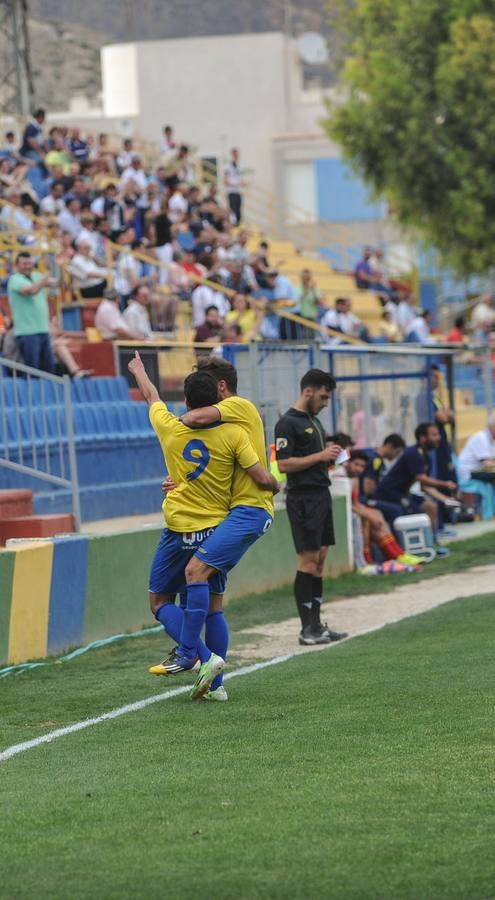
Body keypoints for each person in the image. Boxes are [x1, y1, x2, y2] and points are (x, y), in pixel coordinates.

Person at [128, 353, 277, 700]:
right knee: (214, 608)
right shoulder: (235, 435)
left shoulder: (175, 426)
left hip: (182, 528)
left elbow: (154, 398)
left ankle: (197, 656)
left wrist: (139, 371)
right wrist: (272, 482)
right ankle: (216, 688)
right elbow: (249, 474)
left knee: (159, 599)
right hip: (218, 524)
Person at [175, 356, 280, 693]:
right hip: (231, 513)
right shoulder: (229, 429)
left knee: (194, 572)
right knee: (213, 601)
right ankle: (216, 684)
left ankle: (188, 653)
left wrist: (171, 424)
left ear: (221, 387)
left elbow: (196, 415)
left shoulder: (241, 406)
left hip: (250, 510)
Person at [274, 369, 348, 646]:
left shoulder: (314, 422)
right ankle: (307, 629)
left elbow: (313, 459)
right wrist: (320, 455)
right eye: (323, 396)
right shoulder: (287, 423)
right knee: (307, 559)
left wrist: (331, 458)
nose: (325, 402)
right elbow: (284, 464)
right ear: (308, 391)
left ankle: (317, 624)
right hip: (302, 498)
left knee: (320, 559)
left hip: (321, 493)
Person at [375, 422, 457, 536]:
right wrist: (445, 484)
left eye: (438, 434)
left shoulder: (426, 456)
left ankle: (432, 543)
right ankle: (414, 546)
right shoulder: (413, 453)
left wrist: (446, 500)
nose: (439, 438)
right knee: (418, 513)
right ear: (423, 438)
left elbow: (425, 487)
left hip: (403, 493)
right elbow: (423, 479)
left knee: (431, 507)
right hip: (389, 494)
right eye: (434, 435)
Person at [344, 450, 422, 566]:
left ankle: (399, 554)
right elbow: (348, 505)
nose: (359, 469)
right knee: (369, 520)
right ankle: (375, 558)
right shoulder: (342, 477)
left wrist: (372, 515)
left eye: (362, 466)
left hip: (354, 508)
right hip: (346, 513)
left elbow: (356, 503)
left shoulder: (355, 478)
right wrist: (369, 515)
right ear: (347, 463)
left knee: (378, 515)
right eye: (356, 464)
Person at [7, 252, 55, 373]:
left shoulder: (37, 276)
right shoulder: (14, 279)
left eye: (29, 263)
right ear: (16, 265)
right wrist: (48, 274)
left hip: (43, 330)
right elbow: (31, 290)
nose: (27, 266)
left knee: (49, 371)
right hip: (27, 332)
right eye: (24, 264)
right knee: (32, 372)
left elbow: (59, 283)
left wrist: (58, 267)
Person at [458, 414, 495, 520]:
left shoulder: (492, 440)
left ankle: (490, 512)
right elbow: (487, 463)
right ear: (492, 427)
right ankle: (488, 514)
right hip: (468, 473)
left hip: (479, 471)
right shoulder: (481, 437)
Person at [224, 147, 243, 224]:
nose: (236, 156)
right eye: (235, 154)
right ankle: (233, 224)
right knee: (233, 210)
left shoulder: (238, 166)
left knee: (238, 211)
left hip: (237, 191)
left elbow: (238, 179)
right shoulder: (228, 166)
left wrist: (241, 183)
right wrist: (236, 184)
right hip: (231, 192)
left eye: (237, 155)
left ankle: (237, 224)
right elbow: (225, 181)